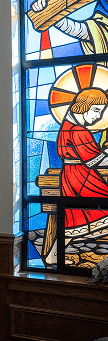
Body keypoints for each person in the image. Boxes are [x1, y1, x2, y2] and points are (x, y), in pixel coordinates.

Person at [57, 87, 108, 242]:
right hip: (82, 178)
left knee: (72, 217)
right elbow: (97, 161)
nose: (99, 116)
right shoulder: (79, 131)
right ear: (83, 106)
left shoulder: (66, 126)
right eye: (96, 110)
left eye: (101, 112)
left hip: (70, 177)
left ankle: (55, 253)